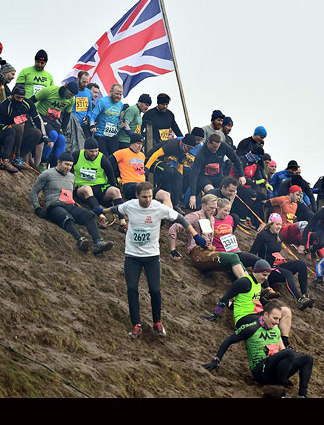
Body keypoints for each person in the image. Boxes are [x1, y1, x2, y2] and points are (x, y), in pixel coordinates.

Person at [101, 181, 204, 338]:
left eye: (149, 196)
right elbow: (116, 209)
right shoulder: (130, 205)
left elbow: (181, 219)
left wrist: (195, 235)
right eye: (144, 197)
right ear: (137, 196)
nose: (147, 200)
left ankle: (157, 322)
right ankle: (136, 324)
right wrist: (102, 210)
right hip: (132, 256)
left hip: (152, 257)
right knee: (132, 289)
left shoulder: (158, 207)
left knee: (155, 290)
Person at [203, 302, 314, 398]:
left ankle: (302, 395)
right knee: (289, 352)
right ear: (265, 314)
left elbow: (282, 354)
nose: (277, 322)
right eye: (275, 318)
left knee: (307, 358)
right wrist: (216, 359)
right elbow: (229, 340)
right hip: (261, 371)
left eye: (279, 319)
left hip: (275, 369)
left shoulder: (275, 329)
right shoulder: (251, 328)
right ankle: (280, 391)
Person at [29, 151, 113, 255]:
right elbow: (33, 192)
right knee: (67, 217)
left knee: (89, 215)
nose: (68, 168)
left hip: (69, 205)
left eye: (71, 165)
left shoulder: (72, 177)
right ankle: (80, 240)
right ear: (59, 162)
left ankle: (98, 243)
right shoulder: (47, 174)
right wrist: (38, 209)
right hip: (54, 206)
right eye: (66, 164)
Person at [202, 259, 294, 347]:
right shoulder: (244, 282)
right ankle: (281, 349)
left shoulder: (258, 282)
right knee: (272, 321)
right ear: (256, 271)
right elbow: (225, 298)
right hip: (246, 317)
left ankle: (285, 342)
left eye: (267, 276)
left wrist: (271, 306)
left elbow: (257, 298)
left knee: (286, 311)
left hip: (256, 313)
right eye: (264, 275)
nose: (266, 278)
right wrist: (215, 314)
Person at [170, 194, 247, 280]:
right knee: (233, 257)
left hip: (209, 250)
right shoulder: (195, 216)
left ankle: (250, 285)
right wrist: (173, 250)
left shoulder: (212, 219)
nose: (213, 210)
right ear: (203, 205)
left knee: (235, 261)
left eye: (215, 208)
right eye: (211, 208)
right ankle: (246, 284)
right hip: (197, 253)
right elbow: (174, 228)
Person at [250, 213, 315, 309]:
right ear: (270, 224)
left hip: (277, 266)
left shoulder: (279, 236)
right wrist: (258, 272)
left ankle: (304, 295)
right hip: (267, 270)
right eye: (277, 224)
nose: (279, 227)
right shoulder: (263, 235)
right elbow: (252, 254)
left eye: (280, 224)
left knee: (301, 264)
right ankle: (299, 299)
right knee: (288, 274)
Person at [72, 137, 126, 231]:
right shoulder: (76, 156)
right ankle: (101, 217)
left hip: (100, 188)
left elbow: (111, 175)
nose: (94, 154)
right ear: (85, 150)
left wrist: (114, 187)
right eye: (91, 151)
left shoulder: (102, 158)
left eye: (96, 151)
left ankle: (123, 223)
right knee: (87, 189)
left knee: (116, 191)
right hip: (83, 188)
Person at [28, 81, 78, 169]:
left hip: (53, 120)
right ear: (65, 86)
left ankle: (59, 166)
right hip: (41, 116)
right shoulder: (49, 91)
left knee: (62, 139)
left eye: (72, 95)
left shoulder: (71, 100)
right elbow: (31, 101)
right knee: (53, 135)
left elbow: (67, 116)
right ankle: (42, 162)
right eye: (69, 93)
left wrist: (63, 130)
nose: (69, 97)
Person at [187, 133, 245, 210]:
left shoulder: (224, 146)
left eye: (217, 147)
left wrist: (241, 175)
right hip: (204, 177)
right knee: (211, 192)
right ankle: (212, 211)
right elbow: (194, 174)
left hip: (218, 177)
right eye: (213, 147)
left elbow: (236, 159)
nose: (215, 149)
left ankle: (227, 209)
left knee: (233, 192)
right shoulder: (201, 153)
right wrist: (193, 195)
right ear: (208, 143)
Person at [0, 83, 46, 171]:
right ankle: (16, 155)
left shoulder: (27, 103)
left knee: (36, 133)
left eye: (22, 98)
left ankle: (19, 158)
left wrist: (44, 135)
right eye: (18, 97)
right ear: (12, 95)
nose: (20, 100)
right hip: (8, 133)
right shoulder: (5, 105)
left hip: (22, 133)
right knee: (19, 127)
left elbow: (38, 119)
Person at [145, 134, 198, 211]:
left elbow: (180, 167)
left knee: (177, 176)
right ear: (183, 144)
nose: (188, 150)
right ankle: (162, 196)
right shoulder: (172, 145)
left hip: (162, 162)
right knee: (169, 171)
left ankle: (176, 203)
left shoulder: (184, 152)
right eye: (188, 148)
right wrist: (147, 167)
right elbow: (155, 154)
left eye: (191, 149)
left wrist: (180, 179)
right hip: (151, 159)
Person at [90, 83, 124, 156]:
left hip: (113, 135)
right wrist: (92, 125)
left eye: (120, 94)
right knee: (103, 157)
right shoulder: (102, 101)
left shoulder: (121, 104)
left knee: (114, 157)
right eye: (117, 94)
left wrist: (120, 125)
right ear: (111, 91)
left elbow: (118, 119)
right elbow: (93, 115)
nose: (118, 96)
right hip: (101, 135)